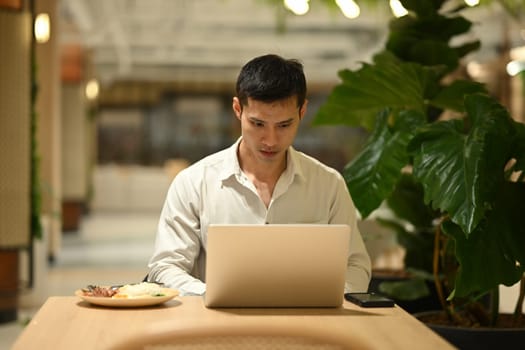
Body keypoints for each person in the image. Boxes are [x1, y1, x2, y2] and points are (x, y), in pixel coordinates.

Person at [147, 54, 371, 296]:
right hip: (218, 326)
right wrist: (214, 296)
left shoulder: (328, 185)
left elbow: (356, 265)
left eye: (284, 125)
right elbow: (165, 268)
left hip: (308, 326)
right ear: (237, 109)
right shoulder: (194, 183)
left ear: (302, 111)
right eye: (258, 124)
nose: (271, 140)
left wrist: (324, 299)